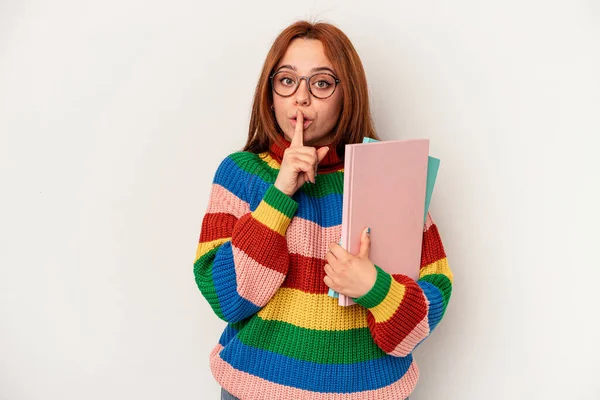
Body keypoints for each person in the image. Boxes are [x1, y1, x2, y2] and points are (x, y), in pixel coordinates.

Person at [193, 20, 453, 400]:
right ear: (269, 95)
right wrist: (281, 192)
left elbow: (434, 293)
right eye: (286, 81)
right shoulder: (241, 173)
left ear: (347, 95)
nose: (301, 98)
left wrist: (376, 290)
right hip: (253, 389)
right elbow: (228, 299)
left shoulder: (389, 173)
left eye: (321, 83)